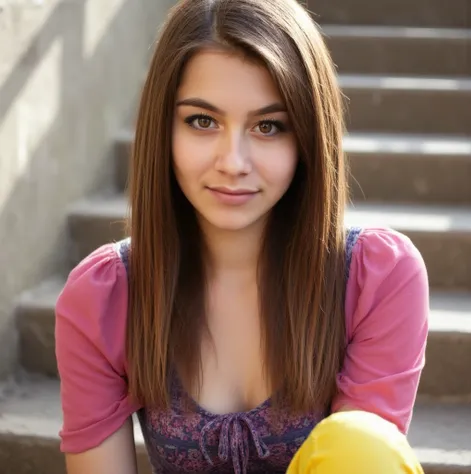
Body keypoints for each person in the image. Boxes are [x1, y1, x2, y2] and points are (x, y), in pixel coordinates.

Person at [55, 0, 429, 473]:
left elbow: (360, 463)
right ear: (162, 129)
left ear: (307, 138)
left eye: (268, 126)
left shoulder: (377, 277)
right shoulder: (104, 297)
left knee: (359, 442)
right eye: (202, 121)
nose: (233, 161)